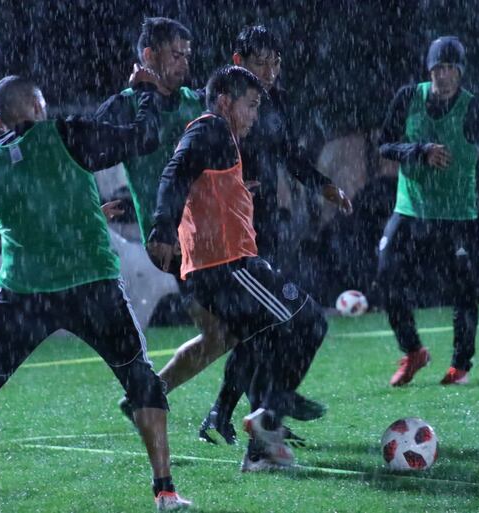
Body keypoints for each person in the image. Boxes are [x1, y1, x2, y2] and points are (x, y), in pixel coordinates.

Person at [0, 75, 190, 513]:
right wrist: (143, 97)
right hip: (91, 285)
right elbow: (145, 137)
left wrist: (78, 210)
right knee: (140, 378)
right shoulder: (66, 133)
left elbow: (21, 217)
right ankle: (165, 491)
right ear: (40, 108)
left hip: (24, 293)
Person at [148, 65, 328, 471]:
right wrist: (162, 225)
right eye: (250, 105)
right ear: (226, 101)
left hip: (217, 268)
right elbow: (174, 172)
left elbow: (196, 184)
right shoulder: (210, 127)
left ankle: (260, 450)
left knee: (265, 341)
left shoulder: (219, 136)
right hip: (229, 266)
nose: (253, 116)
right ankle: (269, 416)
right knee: (311, 321)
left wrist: (232, 196)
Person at [198, 25, 353, 445]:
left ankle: (248, 414)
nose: (269, 72)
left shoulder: (276, 103)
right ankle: (267, 412)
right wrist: (226, 190)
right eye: (260, 63)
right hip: (228, 235)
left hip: (264, 226)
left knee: (262, 327)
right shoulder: (217, 108)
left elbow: (291, 156)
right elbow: (190, 161)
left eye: (275, 62)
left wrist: (323, 185)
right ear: (237, 63)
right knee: (274, 324)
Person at [96, 18, 241, 412]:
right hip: (172, 243)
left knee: (221, 336)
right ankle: (260, 421)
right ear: (148, 55)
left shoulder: (197, 102)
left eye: (187, 56)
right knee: (248, 324)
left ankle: (146, 396)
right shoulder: (124, 107)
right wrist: (92, 205)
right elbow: (79, 158)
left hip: (215, 235)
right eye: (175, 55)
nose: (184, 63)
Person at [376, 36, 479, 387]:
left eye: (451, 68)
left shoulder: (474, 109)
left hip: (456, 216)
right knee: (386, 275)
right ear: (429, 68)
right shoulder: (408, 97)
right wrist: (420, 150)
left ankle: (460, 366)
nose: (444, 74)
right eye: (439, 67)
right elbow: (385, 145)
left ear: (460, 73)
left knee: (462, 291)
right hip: (409, 210)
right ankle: (414, 352)